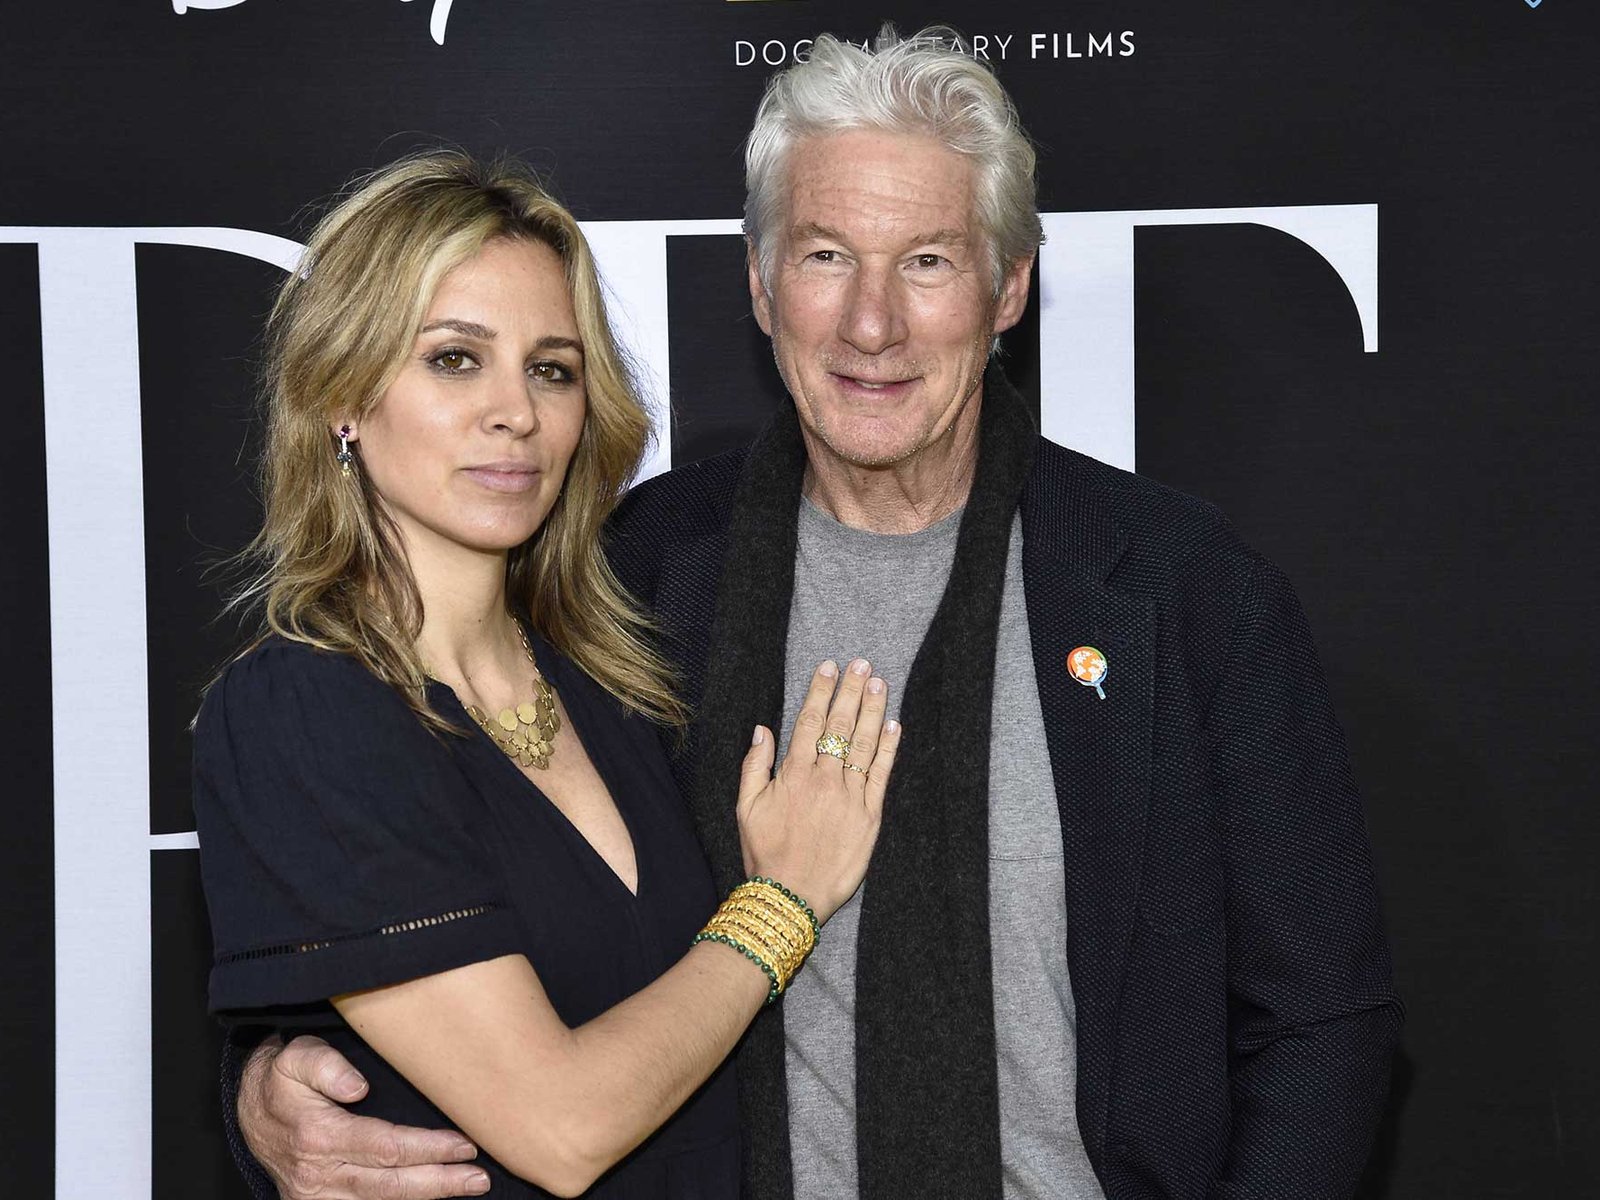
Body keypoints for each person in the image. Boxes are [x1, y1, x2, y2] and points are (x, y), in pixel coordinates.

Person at [227, 29, 1404, 1200]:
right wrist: (274, 1094)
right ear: (759, 281)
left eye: (927, 261)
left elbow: (1323, 1023)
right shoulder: (630, 580)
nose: (870, 324)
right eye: (826, 255)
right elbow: (452, 918)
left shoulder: (1180, 590)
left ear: (1007, 288)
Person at [192, 150, 903, 1200]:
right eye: (454, 359)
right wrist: (783, 900)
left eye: (552, 369)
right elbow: (562, 1129)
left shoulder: (618, 675)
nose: (515, 413)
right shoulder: (304, 712)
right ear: (342, 396)